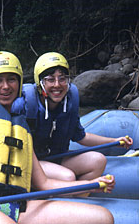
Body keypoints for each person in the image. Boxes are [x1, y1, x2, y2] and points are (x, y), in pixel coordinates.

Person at [0, 51, 115, 224]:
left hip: (17, 205)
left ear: (19, 83)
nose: (5, 87)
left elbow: (44, 183)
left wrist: (92, 184)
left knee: (102, 217)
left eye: (11, 80)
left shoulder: (22, 129)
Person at [12, 52, 133, 183]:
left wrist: (113, 141)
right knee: (67, 176)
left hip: (56, 156)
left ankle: (79, 196)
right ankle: (74, 191)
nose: (57, 85)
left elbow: (80, 136)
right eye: (50, 79)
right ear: (40, 83)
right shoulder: (23, 105)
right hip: (30, 162)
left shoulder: (68, 103)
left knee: (98, 160)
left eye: (62, 78)